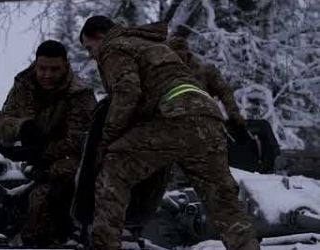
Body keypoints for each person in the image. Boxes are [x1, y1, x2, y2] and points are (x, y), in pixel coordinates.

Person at [79, 16, 260, 250]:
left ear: (100, 37)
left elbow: (127, 91)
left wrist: (109, 136)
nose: (91, 55)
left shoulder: (114, 46)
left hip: (174, 119)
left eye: (89, 48)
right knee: (223, 202)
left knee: (114, 167)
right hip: (209, 120)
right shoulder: (153, 45)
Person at [0, 40, 97, 246]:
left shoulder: (79, 94)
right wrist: (21, 127)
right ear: (35, 65)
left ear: (65, 66)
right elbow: (1, 120)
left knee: (49, 195)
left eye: (54, 69)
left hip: (66, 162)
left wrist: (41, 151)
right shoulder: (24, 84)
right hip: (33, 161)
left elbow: (79, 141)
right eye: (42, 68)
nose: (47, 75)